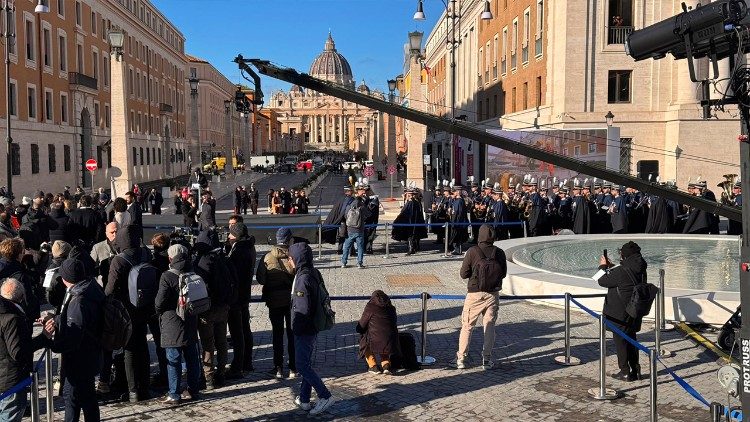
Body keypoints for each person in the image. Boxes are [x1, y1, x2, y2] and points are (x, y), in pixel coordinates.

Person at [47, 258, 105, 422]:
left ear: (66, 278)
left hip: (79, 358)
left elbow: (74, 333)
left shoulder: (78, 299)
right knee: (87, 398)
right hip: (92, 352)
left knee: (71, 398)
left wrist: (54, 345)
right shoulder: (91, 287)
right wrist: (57, 319)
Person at [106, 226, 154, 402]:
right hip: (144, 307)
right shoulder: (145, 253)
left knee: (129, 350)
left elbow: (110, 289)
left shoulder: (119, 260)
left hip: (126, 310)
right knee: (143, 347)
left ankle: (132, 390)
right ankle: (145, 387)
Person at [288, 242, 335, 416]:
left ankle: (325, 396)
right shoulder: (313, 272)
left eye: (290, 258)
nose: (289, 261)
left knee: (301, 365)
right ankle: (304, 399)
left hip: (304, 328)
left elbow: (302, 308)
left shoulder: (302, 278)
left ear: (297, 259)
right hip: (313, 326)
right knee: (305, 363)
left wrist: (296, 327)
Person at [453, 224, 506, 370]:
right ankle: (487, 359)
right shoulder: (499, 252)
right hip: (492, 294)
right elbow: (504, 273)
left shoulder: (472, 251)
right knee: (489, 326)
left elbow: (463, 274)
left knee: (467, 326)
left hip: (474, 293)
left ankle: (461, 359)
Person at [155, 244, 202, 404]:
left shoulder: (167, 276)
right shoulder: (193, 270)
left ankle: (174, 394)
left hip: (172, 322)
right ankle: (193, 390)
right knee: (192, 358)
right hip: (190, 319)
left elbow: (159, 303)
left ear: (170, 258)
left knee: (173, 359)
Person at [594, 241, 647, 382]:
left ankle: (624, 372)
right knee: (631, 339)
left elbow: (600, 280)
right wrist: (612, 267)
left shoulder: (621, 271)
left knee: (621, 341)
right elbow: (625, 278)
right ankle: (636, 369)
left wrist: (602, 266)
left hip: (619, 313)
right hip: (634, 310)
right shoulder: (641, 268)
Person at [0, 278, 50, 422]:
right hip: (10, 380)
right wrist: (43, 338)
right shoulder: (11, 318)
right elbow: (18, 352)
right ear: (21, 298)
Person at [193, 229, 235, 389]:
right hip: (223, 307)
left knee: (208, 344)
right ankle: (221, 374)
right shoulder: (222, 259)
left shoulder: (201, 262)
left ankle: (208, 376)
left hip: (207, 309)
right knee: (222, 341)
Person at [256, 228, 297, 379]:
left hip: (274, 300)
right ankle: (293, 367)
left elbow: (261, 279)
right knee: (292, 334)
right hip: (292, 301)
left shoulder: (267, 257)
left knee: (277, 334)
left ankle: (278, 367)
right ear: (289, 240)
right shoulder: (295, 256)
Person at [225, 222, 256, 377]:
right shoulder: (248, 246)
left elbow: (233, 274)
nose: (228, 237)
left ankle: (238, 366)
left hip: (237, 297)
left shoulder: (239, 251)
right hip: (244, 294)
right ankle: (247, 362)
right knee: (245, 329)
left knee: (238, 332)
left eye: (230, 234)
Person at [356, 290, 399, 375]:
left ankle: (373, 366)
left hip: (375, 339)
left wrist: (359, 329)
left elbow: (362, 324)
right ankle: (386, 365)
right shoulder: (391, 308)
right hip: (391, 340)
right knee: (384, 341)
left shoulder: (370, 307)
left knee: (365, 339)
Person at [341, 185, 370, 269]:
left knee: (346, 247)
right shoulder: (362, 206)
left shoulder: (349, 204)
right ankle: (359, 263)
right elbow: (368, 214)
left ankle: (344, 263)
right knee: (360, 247)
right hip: (359, 229)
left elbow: (346, 215)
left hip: (350, 229)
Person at [391, 187, 427, 255]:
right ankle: (415, 247)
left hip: (410, 221)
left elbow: (404, 212)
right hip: (415, 221)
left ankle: (411, 248)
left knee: (410, 236)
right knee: (413, 235)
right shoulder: (417, 202)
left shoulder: (411, 202)